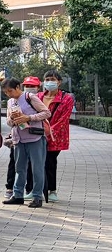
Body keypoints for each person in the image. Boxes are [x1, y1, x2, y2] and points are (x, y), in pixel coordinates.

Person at [2, 77, 51, 208]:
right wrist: (12, 119)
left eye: (10, 91)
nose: (9, 94)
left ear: (18, 87)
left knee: (37, 169)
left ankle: (37, 196)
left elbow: (46, 112)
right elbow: (8, 121)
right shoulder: (10, 102)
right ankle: (17, 195)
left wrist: (28, 117)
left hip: (35, 138)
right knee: (19, 169)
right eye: (6, 92)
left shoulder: (30, 97)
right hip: (18, 139)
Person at [39, 70, 74, 202]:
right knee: (36, 163)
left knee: (50, 162)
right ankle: (36, 189)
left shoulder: (67, 98)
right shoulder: (39, 96)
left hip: (56, 137)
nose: (49, 82)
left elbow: (63, 119)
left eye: (52, 79)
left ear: (59, 82)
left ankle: (51, 190)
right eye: (47, 79)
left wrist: (49, 131)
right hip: (37, 135)